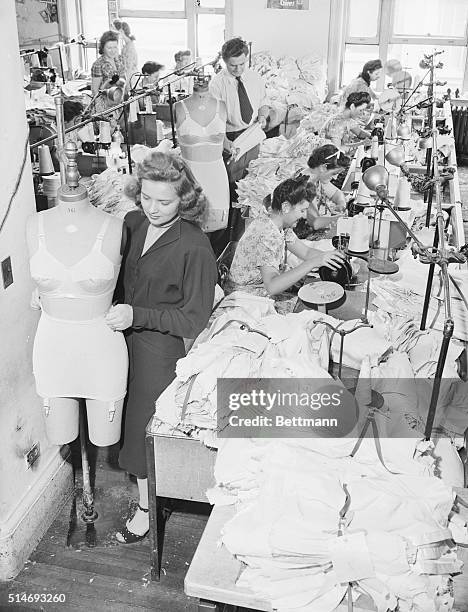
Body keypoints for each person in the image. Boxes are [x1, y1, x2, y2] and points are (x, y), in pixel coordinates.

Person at [107, 152, 217, 543]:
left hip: (157, 348)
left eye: (164, 201)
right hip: (119, 336)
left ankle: (145, 509)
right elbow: (112, 274)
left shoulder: (195, 246)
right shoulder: (132, 222)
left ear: (184, 200)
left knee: (141, 428)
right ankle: (145, 498)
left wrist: (137, 315)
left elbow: (192, 319)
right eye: (147, 198)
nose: (153, 209)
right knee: (119, 416)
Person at [26, 143, 127, 447]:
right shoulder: (34, 225)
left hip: (101, 349)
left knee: (104, 438)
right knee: (61, 436)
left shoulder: (115, 226)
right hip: (52, 348)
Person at [226, 176, 346, 298]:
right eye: (302, 210)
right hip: (244, 297)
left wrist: (331, 258)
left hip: (259, 289)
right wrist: (312, 263)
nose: (305, 216)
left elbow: (306, 252)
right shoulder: (267, 235)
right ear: (285, 207)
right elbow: (272, 286)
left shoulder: (280, 224)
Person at [209, 37, 270, 251]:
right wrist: (226, 144)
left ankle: (247, 235)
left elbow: (264, 103)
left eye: (242, 64)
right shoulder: (217, 84)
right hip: (230, 138)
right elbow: (214, 122)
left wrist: (263, 115)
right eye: (233, 65)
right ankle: (228, 239)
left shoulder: (254, 78)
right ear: (225, 62)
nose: (238, 69)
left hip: (251, 135)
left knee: (251, 185)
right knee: (231, 188)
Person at [175, 73, 229, 234]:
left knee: (217, 228)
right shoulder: (179, 107)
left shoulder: (222, 106)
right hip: (191, 176)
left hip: (216, 175)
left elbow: (224, 138)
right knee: (188, 228)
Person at [305, 144, 350, 229]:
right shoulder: (305, 185)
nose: (335, 178)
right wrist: (336, 219)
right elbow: (314, 223)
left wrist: (341, 205)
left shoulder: (316, 177)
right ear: (323, 167)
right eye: (334, 173)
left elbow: (337, 194)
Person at [90, 30, 126, 116]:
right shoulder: (98, 64)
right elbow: (95, 90)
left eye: (115, 47)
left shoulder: (120, 59)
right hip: (105, 106)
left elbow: (124, 78)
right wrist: (101, 112)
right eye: (109, 48)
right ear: (103, 48)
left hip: (119, 102)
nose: (113, 51)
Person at [113, 19, 138, 91]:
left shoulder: (129, 48)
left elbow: (129, 69)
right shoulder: (126, 45)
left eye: (115, 32)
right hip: (127, 77)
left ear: (121, 31)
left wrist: (125, 85)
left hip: (130, 79)